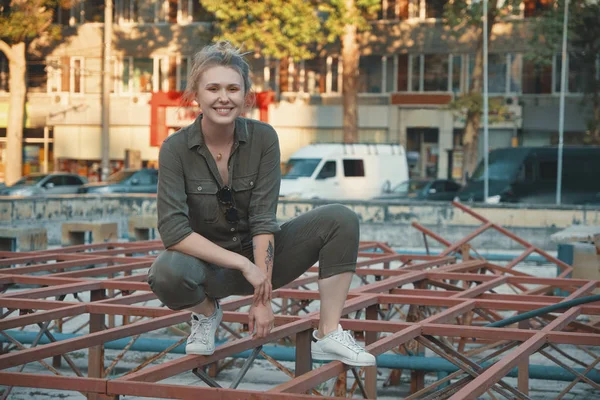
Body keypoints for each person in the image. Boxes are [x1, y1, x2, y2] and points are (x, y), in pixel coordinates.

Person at [147, 41, 375, 367]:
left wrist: (262, 298)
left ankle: (328, 332)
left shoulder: (264, 138)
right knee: (165, 271)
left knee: (341, 218)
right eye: (212, 88)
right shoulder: (175, 148)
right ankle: (207, 314)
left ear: (245, 94)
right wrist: (243, 266)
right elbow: (174, 232)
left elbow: (263, 220)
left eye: (232, 88)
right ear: (196, 93)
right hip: (211, 267)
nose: (223, 97)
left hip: (265, 261)